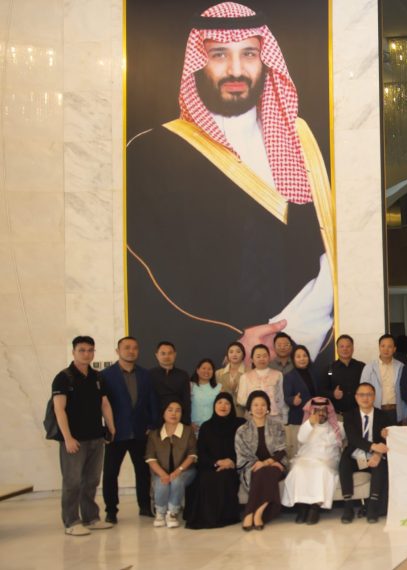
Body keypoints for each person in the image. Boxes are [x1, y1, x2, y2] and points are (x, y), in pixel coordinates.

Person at [126, 1, 335, 366]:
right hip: (211, 363)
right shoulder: (151, 152)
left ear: (265, 60)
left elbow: (333, 250)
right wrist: (233, 344)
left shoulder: (303, 141)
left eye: (249, 54)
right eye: (219, 54)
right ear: (198, 62)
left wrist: (292, 336)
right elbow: (146, 274)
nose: (236, 70)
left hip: (303, 352)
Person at [52, 336, 115, 536]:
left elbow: (104, 403)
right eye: (82, 350)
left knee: (92, 480)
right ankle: (71, 521)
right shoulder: (63, 377)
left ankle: (91, 518)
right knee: (72, 482)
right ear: (73, 352)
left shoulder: (97, 377)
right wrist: (68, 438)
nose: (86, 354)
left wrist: (111, 427)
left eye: (90, 350)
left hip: (96, 437)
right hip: (74, 440)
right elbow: (59, 409)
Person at [101, 336, 157, 523]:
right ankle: (111, 510)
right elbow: (101, 404)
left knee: (142, 472)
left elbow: (151, 401)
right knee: (111, 473)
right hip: (116, 432)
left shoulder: (145, 375)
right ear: (118, 351)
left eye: (134, 348)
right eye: (127, 347)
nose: (131, 351)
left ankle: (145, 506)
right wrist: (106, 429)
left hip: (140, 432)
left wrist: (151, 425)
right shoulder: (106, 375)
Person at [185, 392, 245, 529]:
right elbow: (201, 452)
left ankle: (222, 518)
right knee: (204, 479)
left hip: (232, 466)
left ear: (232, 407)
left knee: (224, 478)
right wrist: (217, 462)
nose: (223, 406)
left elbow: (246, 448)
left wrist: (232, 462)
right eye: (219, 403)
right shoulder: (206, 426)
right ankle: (205, 518)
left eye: (227, 403)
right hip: (211, 465)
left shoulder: (240, 424)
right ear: (214, 405)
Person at [282, 397, 343, 524]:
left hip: (327, 459)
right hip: (306, 457)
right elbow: (301, 438)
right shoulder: (307, 425)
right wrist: (310, 423)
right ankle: (302, 508)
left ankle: (314, 508)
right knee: (298, 470)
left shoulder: (336, 427)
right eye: (317, 410)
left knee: (321, 470)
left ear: (328, 411)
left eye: (323, 410)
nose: (321, 413)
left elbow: (341, 439)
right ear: (311, 411)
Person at [339, 383, 394, 523]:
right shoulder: (349, 415)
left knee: (381, 465)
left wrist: (378, 454)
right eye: (362, 395)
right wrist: (373, 447)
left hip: (375, 455)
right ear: (356, 397)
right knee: (344, 462)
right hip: (355, 454)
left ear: (374, 397)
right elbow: (353, 438)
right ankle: (348, 506)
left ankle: (373, 508)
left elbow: (387, 439)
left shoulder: (383, 416)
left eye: (369, 394)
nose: (365, 398)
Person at [235, 390, 288, 530]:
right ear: (249, 408)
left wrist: (266, 463)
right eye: (255, 405)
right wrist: (257, 464)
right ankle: (258, 512)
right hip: (251, 466)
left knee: (268, 471)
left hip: (274, 464)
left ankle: (252, 513)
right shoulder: (242, 430)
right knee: (261, 472)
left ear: (268, 408)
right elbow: (242, 454)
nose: (259, 408)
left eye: (263, 405)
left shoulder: (277, 426)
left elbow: (281, 451)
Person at [145, 400, 198, 528]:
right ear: (163, 413)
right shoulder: (154, 434)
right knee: (162, 481)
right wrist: (163, 474)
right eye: (170, 410)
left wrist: (178, 471)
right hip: (161, 470)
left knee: (177, 480)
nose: (174, 413)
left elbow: (192, 455)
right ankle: (160, 512)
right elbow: (150, 459)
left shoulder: (188, 431)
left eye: (178, 410)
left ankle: (172, 513)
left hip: (185, 470)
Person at [282, 345, 320, 458]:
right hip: (298, 418)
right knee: (299, 452)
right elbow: (287, 397)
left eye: (304, 356)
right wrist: (293, 400)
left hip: (315, 418)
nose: (302, 359)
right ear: (293, 359)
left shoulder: (314, 373)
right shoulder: (289, 376)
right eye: (298, 356)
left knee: (315, 451)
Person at [360, 334, 406, 426]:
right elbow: (363, 391)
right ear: (379, 347)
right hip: (376, 410)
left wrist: (405, 414)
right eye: (383, 346)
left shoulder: (401, 367)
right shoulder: (369, 367)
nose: (386, 349)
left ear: (394, 349)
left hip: (396, 411)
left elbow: (405, 390)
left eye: (389, 346)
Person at [236, 344, 286, 420]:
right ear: (252, 359)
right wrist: (256, 406)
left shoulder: (278, 375)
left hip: (273, 416)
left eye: (265, 356)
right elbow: (241, 400)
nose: (262, 359)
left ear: (269, 358)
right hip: (252, 417)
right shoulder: (245, 377)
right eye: (258, 356)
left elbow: (281, 398)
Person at [151, 341, 191, 425]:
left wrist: (186, 422)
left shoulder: (183, 375)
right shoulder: (149, 375)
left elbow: (186, 401)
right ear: (156, 355)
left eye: (170, 353)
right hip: (155, 421)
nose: (166, 356)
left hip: (178, 420)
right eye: (163, 353)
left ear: (175, 354)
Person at [327, 334, 365, 415]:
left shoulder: (361, 366)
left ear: (353, 348)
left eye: (348, 346)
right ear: (337, 349)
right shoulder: (330, 368)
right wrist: (333, 394)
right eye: (342, 346)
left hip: (359, 414)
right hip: (337, 415)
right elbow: (322, 390)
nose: (345, 349)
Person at [189, 358, 221, 430]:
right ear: (197, 370)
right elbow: (185, 406)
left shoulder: (219, 388)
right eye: (203, 368)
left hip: (212, 427)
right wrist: (189, 422)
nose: (206, 371)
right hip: (193, 427)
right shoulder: (190, 386)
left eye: (210, 369)